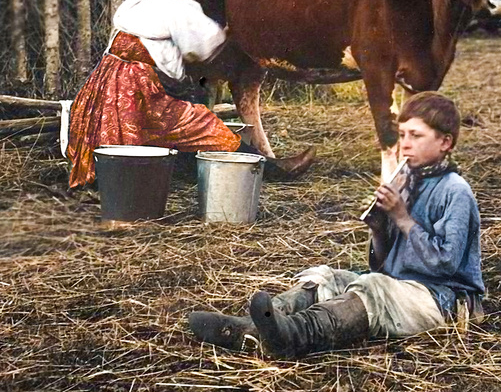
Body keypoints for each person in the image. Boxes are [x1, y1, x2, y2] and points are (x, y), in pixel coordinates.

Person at [188, 91, 484, 358]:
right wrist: (379, 228)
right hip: (402, 288)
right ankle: (254, 329)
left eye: (416, 136)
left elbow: (445, 264)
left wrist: (402, 218)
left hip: (442, 301)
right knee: (327, 278)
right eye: (402, 134)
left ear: (445, 142)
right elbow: (383, 266)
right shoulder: (406, 183)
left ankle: (295, 336)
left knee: (372, 287)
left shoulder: (455, 191)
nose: (405, 144)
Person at [66, 0, 313, 189]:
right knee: (203, 123)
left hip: (108, 82)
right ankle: (272, 169)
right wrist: (229, 29)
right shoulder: (176, 8)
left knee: (156, 132)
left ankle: (134, 177)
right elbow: (202, 48)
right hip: (137, 89)